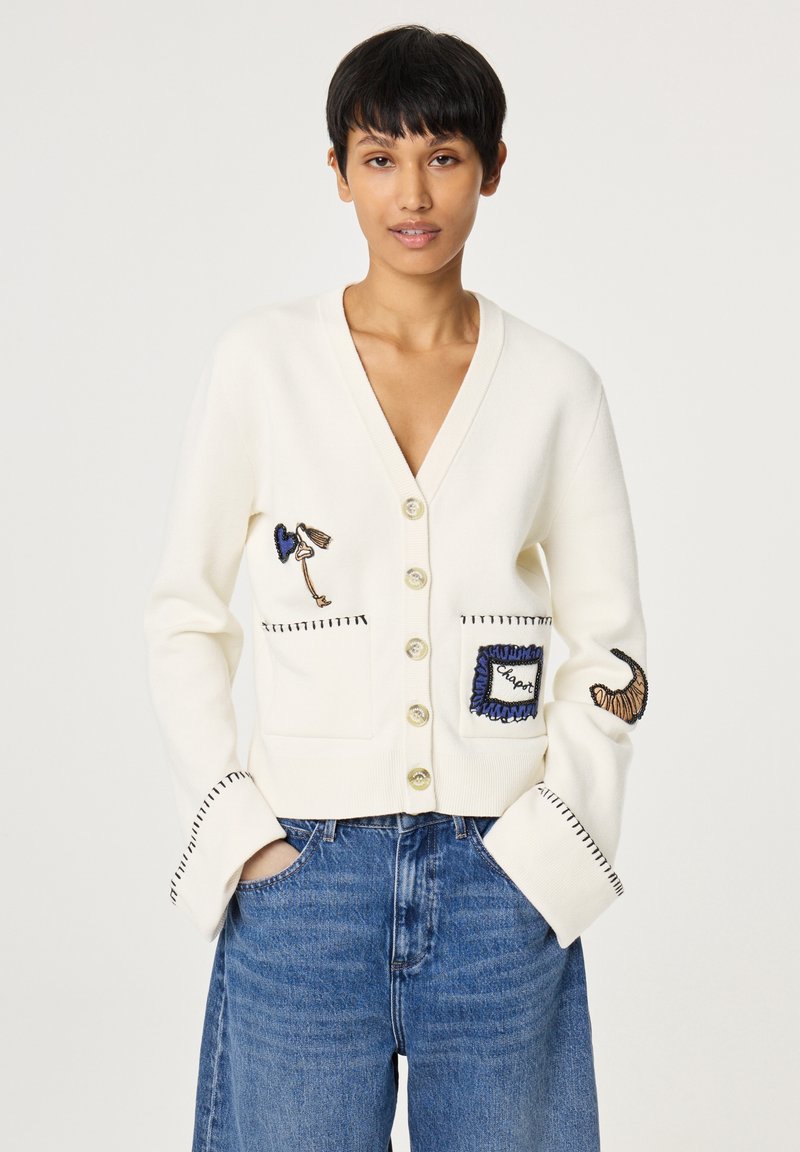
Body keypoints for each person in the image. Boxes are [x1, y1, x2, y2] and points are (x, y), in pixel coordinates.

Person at [144, 23, 647, 1152]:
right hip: (304, 880)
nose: (411, 194)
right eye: (379, 158)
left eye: (443, 157)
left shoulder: (555, 386)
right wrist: (239, 837)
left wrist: (551, 853)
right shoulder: (262, 363)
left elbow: (611, 646)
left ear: (492, 168)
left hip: (500, 877)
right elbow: (184, 614)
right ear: (337, 172)